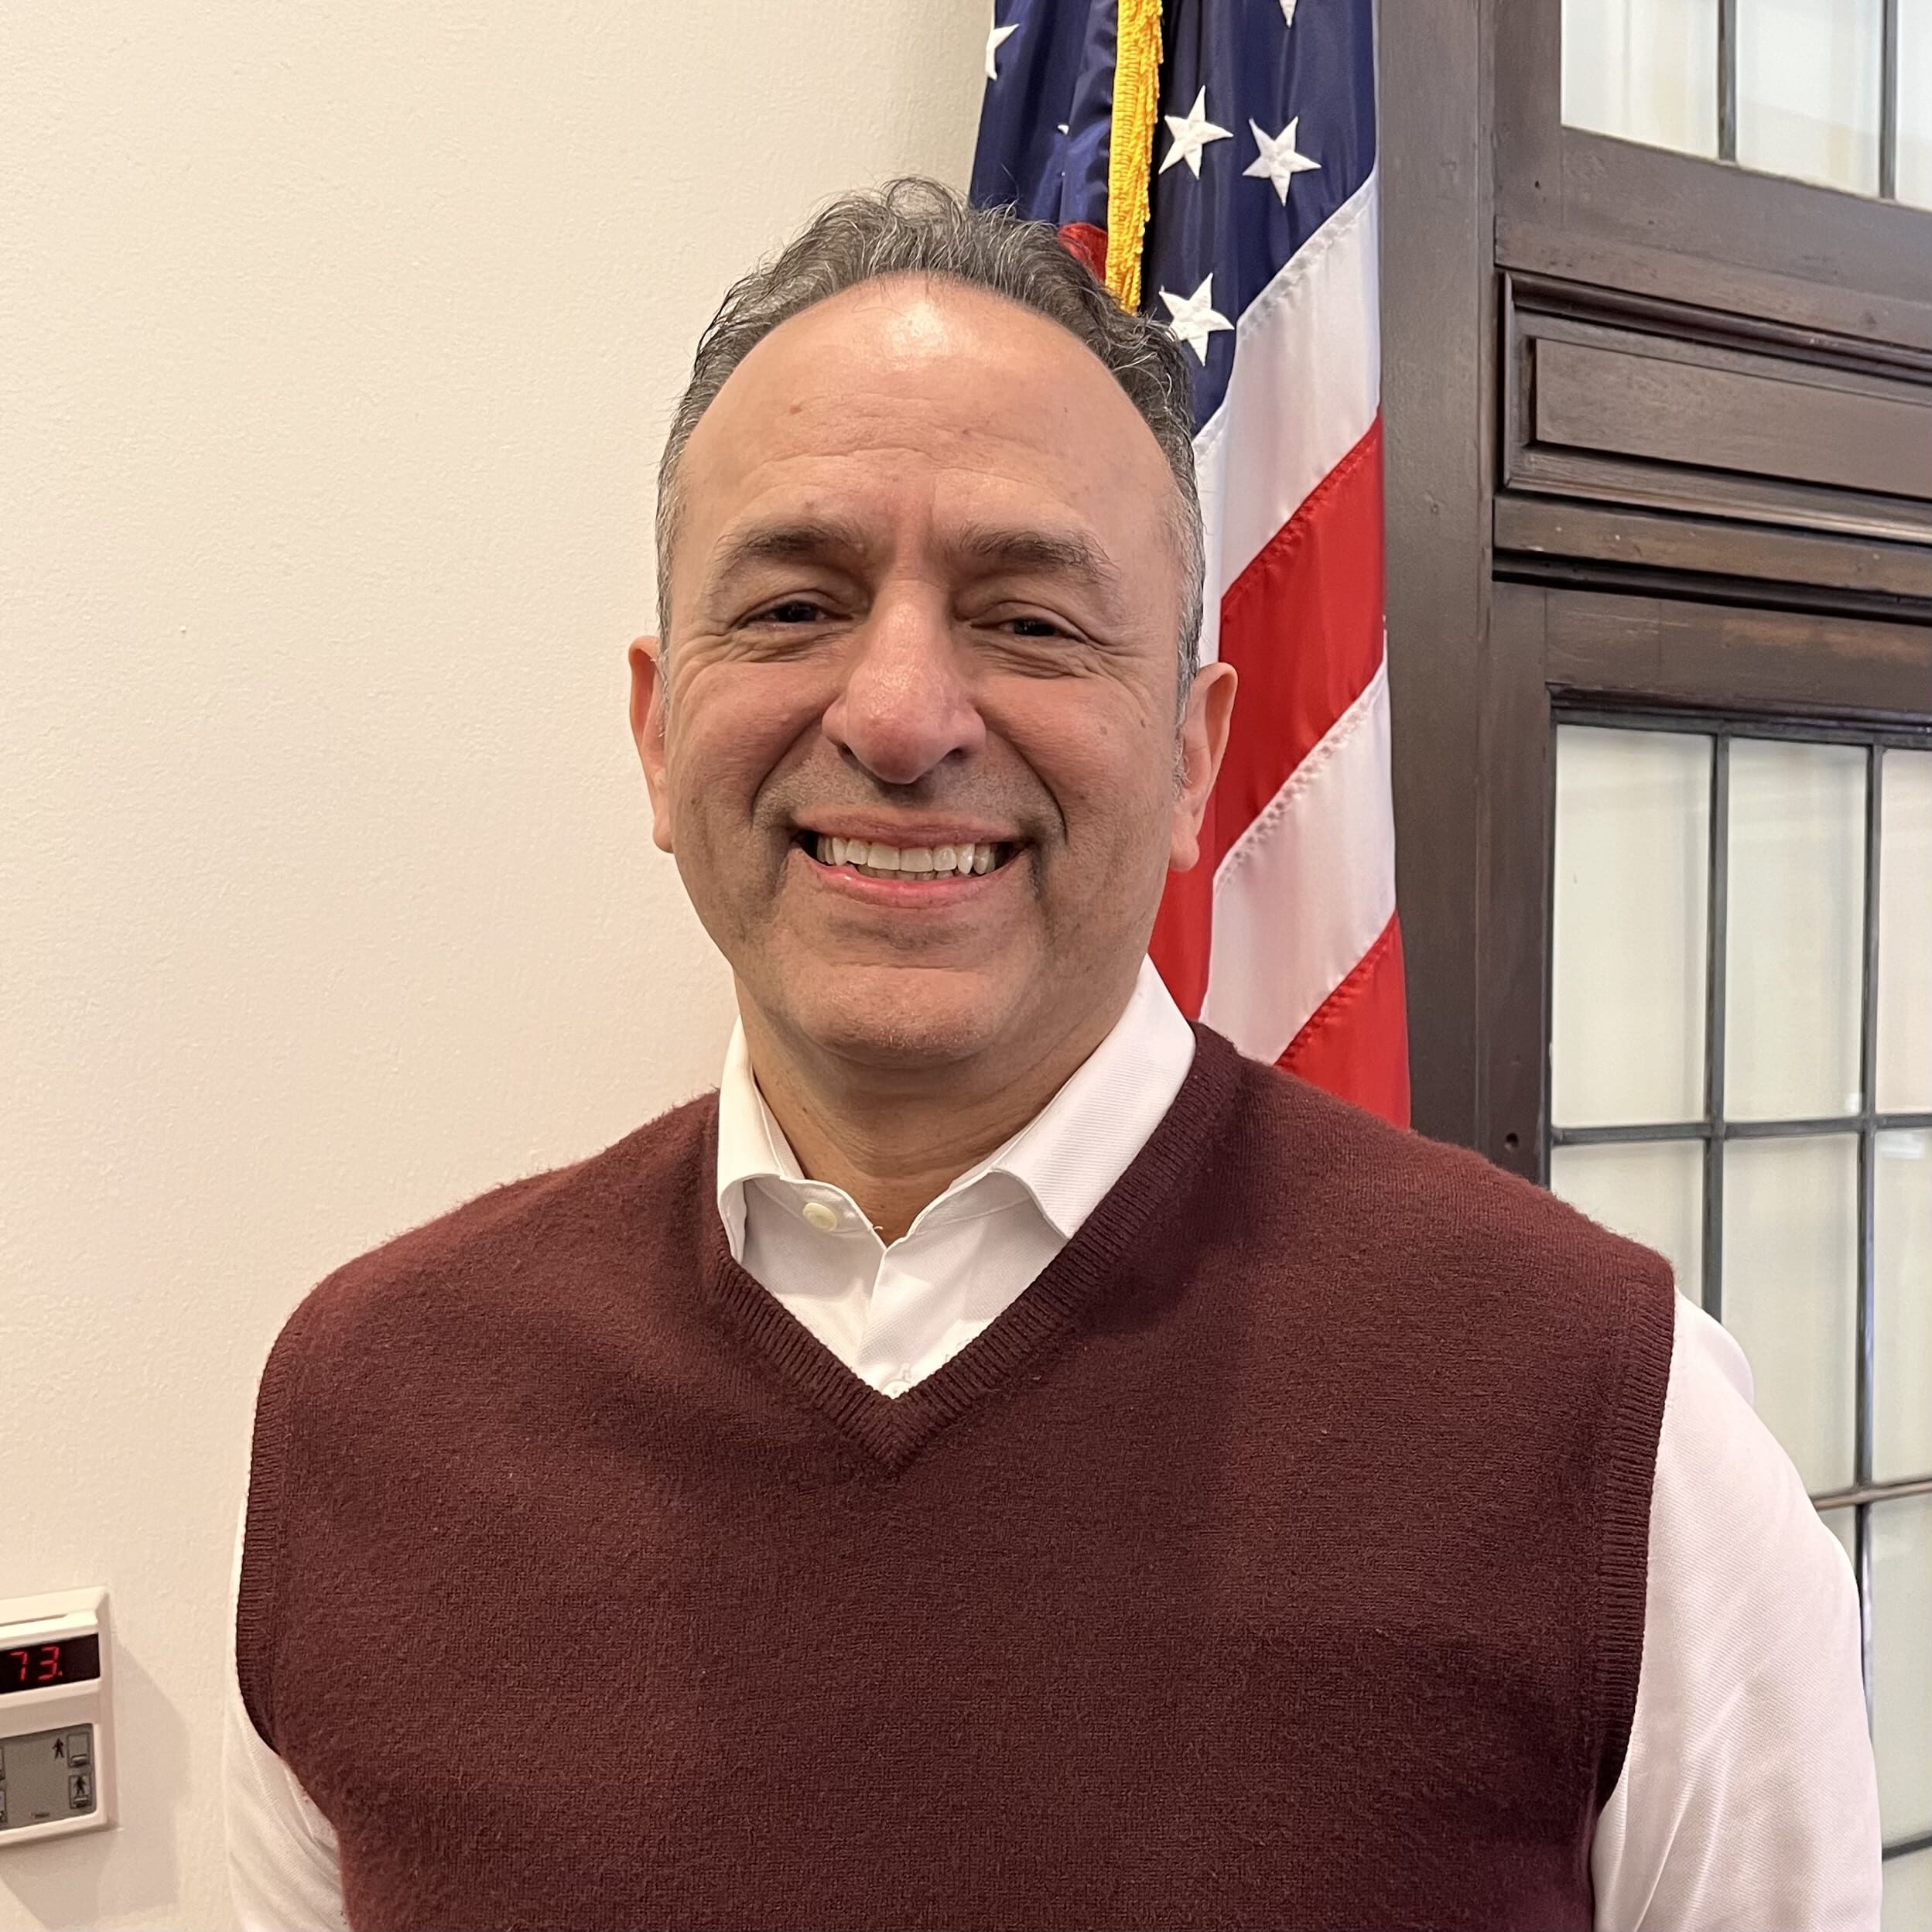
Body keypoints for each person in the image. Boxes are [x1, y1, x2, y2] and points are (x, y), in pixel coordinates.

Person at [223, 178, 1881, 1931]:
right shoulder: (366, 1411)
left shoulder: (1610, 1435)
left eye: (1028, 618)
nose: (899, 713)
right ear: (655, 729)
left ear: (1190, 755)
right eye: (793, 604)